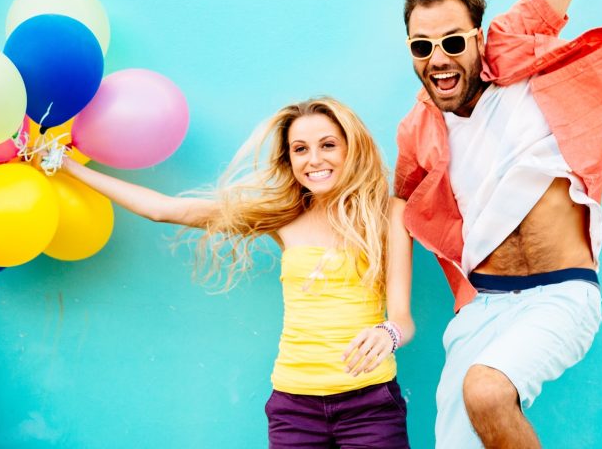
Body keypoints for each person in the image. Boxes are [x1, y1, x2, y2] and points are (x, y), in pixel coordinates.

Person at [395, 0, 602, 448]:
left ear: (477, 35)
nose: (439, 56)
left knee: (487, 389)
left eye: (452, 41)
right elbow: (392, 205)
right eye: (421, 46)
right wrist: (392, 311)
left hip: (562, 294)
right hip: (485, 306)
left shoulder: (515, 51)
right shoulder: (419, 130)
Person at [61, 97, 414, 449]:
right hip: (295, 407)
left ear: (352, 148)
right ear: (289, 159)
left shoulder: (389, 214)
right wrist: (66, 165)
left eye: (328, 145)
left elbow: (402, 318)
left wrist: (388, 333)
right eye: (300, 149)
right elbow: (164, 210)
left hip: (370, 406)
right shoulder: (285, 217)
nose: (315, 160)